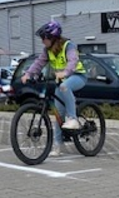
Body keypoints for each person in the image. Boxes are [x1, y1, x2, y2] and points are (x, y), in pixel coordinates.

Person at [21, 20, 87, 156]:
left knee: (64, 86)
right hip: (61, 81)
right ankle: (58, 145)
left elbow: (73, 61)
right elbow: (38, 63)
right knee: (58, 114)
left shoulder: (68, 45)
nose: (42, 41)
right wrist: (28, 74)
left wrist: (65, 72)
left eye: (44, 38)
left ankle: (73, 118)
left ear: (52, 37)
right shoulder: (47, 51)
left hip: (77, 76)